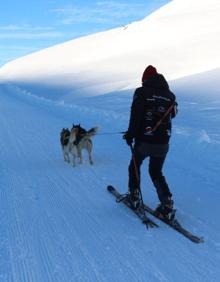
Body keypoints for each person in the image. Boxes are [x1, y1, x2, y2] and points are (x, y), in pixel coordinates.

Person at [123, 65, 178, 219]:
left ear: (145, 79)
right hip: (163, 142)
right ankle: (166, 203)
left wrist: (130, 134)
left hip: (145, 141)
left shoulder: (141, 92)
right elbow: (173, 115)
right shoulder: (171, 96)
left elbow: (136, 115)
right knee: (156, 171)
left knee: (135, 164)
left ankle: (134, 196)